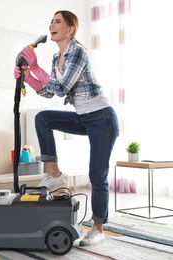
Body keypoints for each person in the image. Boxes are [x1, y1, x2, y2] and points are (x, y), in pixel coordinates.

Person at [14, 10, 119, 246]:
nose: (52, 24)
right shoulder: (55, 58)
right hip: (83, 117)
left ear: (70, 29)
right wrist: (28, 77)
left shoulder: (78, 52)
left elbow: (62, 88)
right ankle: (53, 174)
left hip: (102, 119)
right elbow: (49, 91)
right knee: (43, 118)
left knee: (97, 174)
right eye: (51, 20)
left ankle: (98, 228)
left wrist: (35, 68)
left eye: (57, 21)